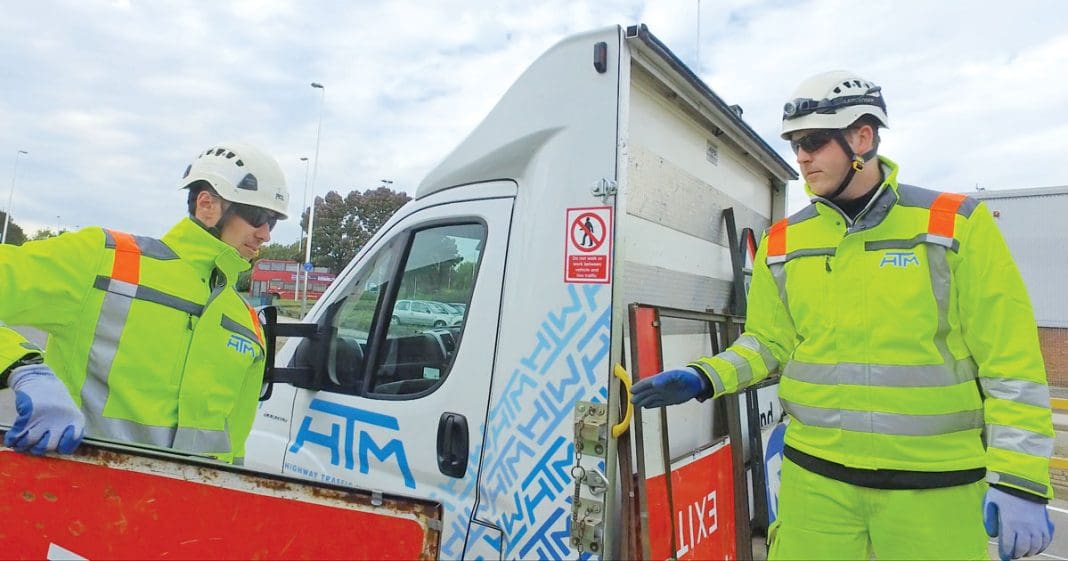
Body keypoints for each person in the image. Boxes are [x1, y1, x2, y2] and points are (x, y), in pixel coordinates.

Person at [631, 71, 1054, 560]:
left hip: (935, 488)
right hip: (816, 485)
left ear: (863, 138)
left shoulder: (954, 226)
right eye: (795, 145)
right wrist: (704, 377)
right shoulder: (783, 242)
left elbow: (1011, 364)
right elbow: (768, 343)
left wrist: (1020, 478)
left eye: (813, 141)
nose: (801, 157)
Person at [0, 142, 288, 464]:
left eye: (274, 221)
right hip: (76, 489)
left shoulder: (248, 325)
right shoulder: (104, 261)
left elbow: (233, 452)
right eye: (258, 216)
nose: (265, 234)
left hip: (187, 496)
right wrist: (23, 367)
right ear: (207, 204)